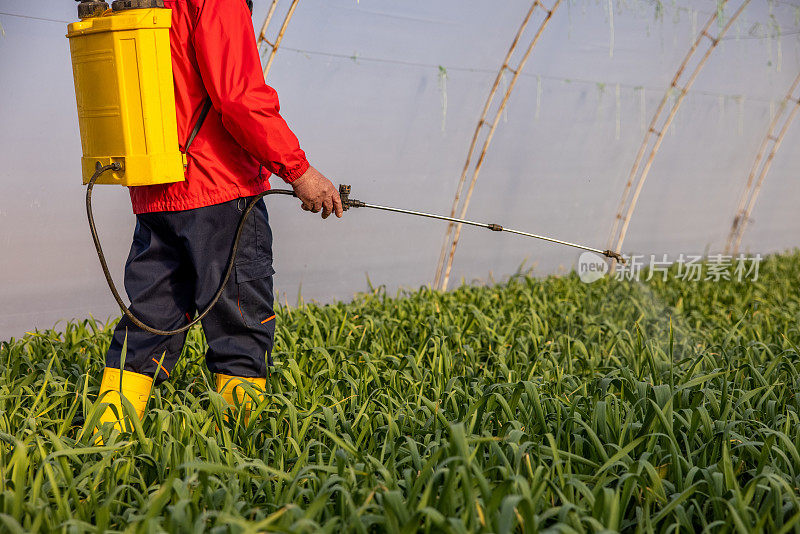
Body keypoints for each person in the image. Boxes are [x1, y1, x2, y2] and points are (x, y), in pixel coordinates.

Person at [97, 0, 342, 432]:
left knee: (148, 319)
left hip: (157, 191)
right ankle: (240, 453)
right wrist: (299, 171)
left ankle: (102, 442)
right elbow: (240, 98)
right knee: (241, 324)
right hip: (219, 189)